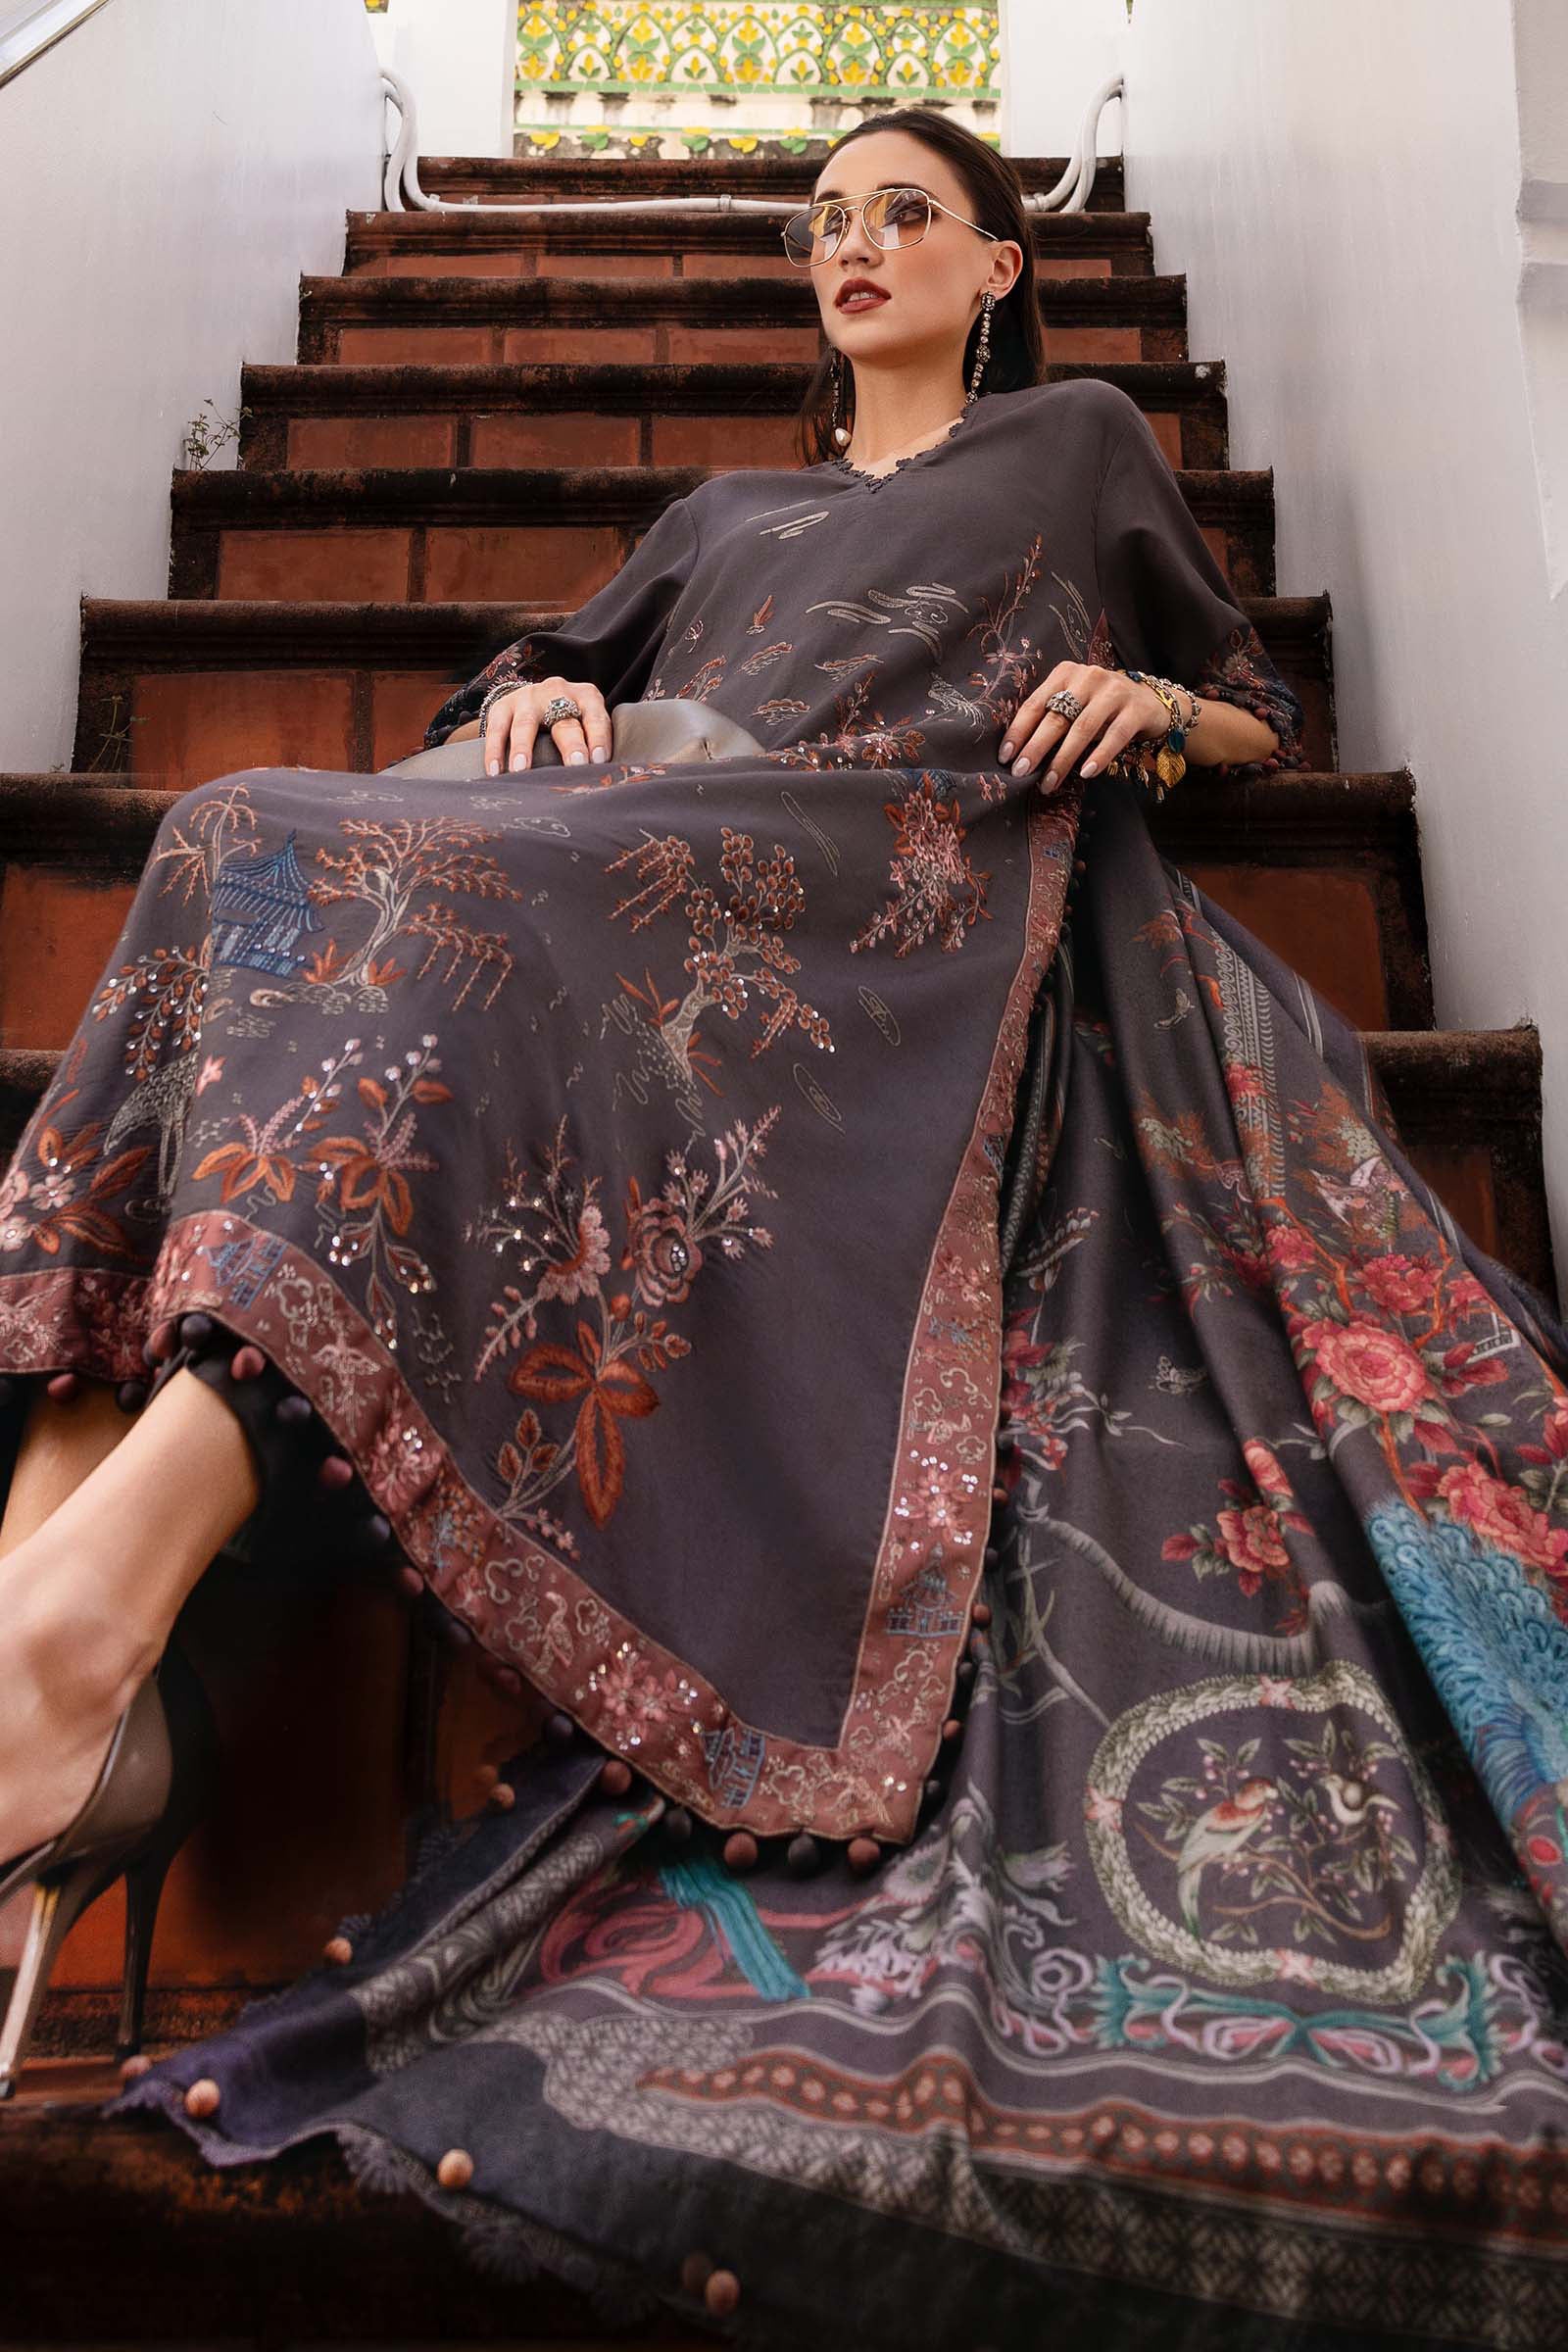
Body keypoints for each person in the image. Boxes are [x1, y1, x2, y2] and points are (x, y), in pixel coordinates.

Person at [4, 104, 1568, 2348]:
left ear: (996, 265)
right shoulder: (721, 515)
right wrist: (543, 689)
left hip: (901, 883)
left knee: (437, 914)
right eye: (824, 222)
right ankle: (58, 1601)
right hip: (658, 849)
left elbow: (1251, 704)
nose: (853, 248)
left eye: (902, 215)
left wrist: (1149, 705)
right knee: (229, 836)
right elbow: (535, 678)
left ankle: (65, 1641)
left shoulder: (1080, 446)